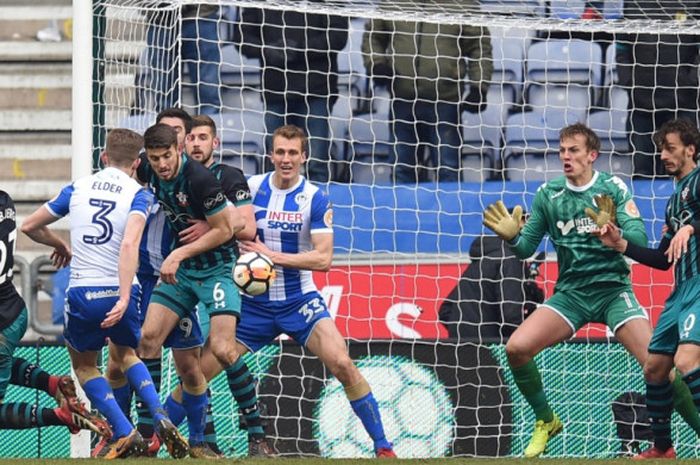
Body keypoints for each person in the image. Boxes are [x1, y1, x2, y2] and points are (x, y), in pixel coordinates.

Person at [482, 123, 700, 458]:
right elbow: (526, 248)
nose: (566, 157)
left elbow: (640, 244)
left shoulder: (612, 188)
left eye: (574, 151)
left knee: (661, 368)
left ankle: (676, 440)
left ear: (592, 155)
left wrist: (613, 231)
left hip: (614, 291)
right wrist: (512, 238)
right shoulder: (548, 195)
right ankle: (546, 420)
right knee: (516, 348)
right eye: (562, 151)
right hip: (571, 294)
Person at [227, 124, 397, 457]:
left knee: (343, 364)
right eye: (280, 152)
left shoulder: (315, 198)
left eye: (292, 153)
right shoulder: (251, 187)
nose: (285, 159)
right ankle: (160, 435)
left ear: (304, 156)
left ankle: (383, 446)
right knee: (199, 371)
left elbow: (323, 259)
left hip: (299, 302)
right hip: (253, 305)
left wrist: (271, 257)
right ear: (270, 154)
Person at [20, 129, 189, 459]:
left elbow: (29, 226)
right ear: (138, 163)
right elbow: (130, 243)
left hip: (84, 289)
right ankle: (159, 415)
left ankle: (123, 430)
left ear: (104, 157)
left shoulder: (78, 188)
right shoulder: (140, 194)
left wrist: (60, 245)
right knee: (127, 355)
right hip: (123, 289)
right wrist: (124, 297)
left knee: (84, 366)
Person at [136, 123, 244, 456]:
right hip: (182, 275)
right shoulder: (146, 168)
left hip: (216, 271)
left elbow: (226, 229)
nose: (161, 165)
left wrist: (179, 253)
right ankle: (151, 429)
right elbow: (128, 166)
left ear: (178, 150)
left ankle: (253, 430)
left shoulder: (200, 180)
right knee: (148, 338)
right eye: (155, 159)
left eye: (166, 156)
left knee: (223, 350)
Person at [595, 119, 700, 459]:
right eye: (660, 149)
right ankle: (663, 448)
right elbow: (662, 259)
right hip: (680, 290)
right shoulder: (672, 203)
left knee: (686, 361)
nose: (663, 155)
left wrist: (693, 228)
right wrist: (620, 243)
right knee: (655, 368)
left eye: (670, 148)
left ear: (690, 149)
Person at [0, 190, 107, 439]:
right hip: (11, 308)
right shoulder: (5, 200)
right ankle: (51, 383)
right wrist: (59, 243)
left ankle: (61, 416)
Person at [362, 1, 492, 183]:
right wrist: (377, 63)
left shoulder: (462, 4)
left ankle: (449, 211)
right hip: (402, 100)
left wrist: (479, 86)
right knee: (402, 170)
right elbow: (373, 37)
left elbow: (478, 46)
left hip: (446, 102)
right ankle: (403, 211)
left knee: (448, 170)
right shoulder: (391, 3)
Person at [233, 1, 348, 182]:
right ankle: (274, 205)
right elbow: (241, 37)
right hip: (276, 90)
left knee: (316, 163)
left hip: (316, 89)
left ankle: (318, 207)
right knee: (275, 160)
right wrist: (267, 50)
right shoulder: (259, 3)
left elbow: (338, 36)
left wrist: (300, 48)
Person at [616, 2, 700, 177]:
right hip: (641, 105)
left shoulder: (692, 4)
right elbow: (622, 48)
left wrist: (690, 80)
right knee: (642, 171)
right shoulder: (633, 5)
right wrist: (630, 82)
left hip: (683, 105)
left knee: (686, 171)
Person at [439, 214, 544, 343]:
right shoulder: (510, 259)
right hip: (489, 349)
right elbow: (511, 316)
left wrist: (464, 332)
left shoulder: (482, 260)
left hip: (458, 348)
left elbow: (445, 310)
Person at [145, 5, 221, 114]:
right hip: (160, 20)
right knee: (164, 92)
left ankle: (205, 130)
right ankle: (167, 130)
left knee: (208, 91)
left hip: (201, 16)